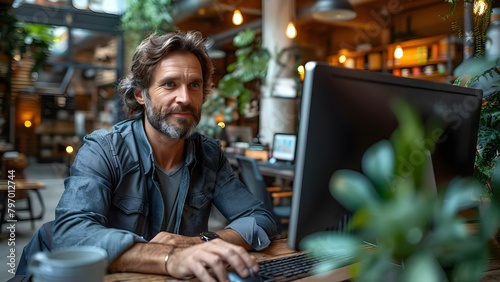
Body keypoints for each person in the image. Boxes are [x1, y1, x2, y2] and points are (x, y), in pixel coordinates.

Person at [51, 30, 277, 281]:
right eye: (169, 84)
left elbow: (260, 219)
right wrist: (168, 258)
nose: (185, 98)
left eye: (194, 85)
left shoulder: (209, 155)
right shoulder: (104, 150)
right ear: (140, 94)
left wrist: (198, 242)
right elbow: (70, 234)